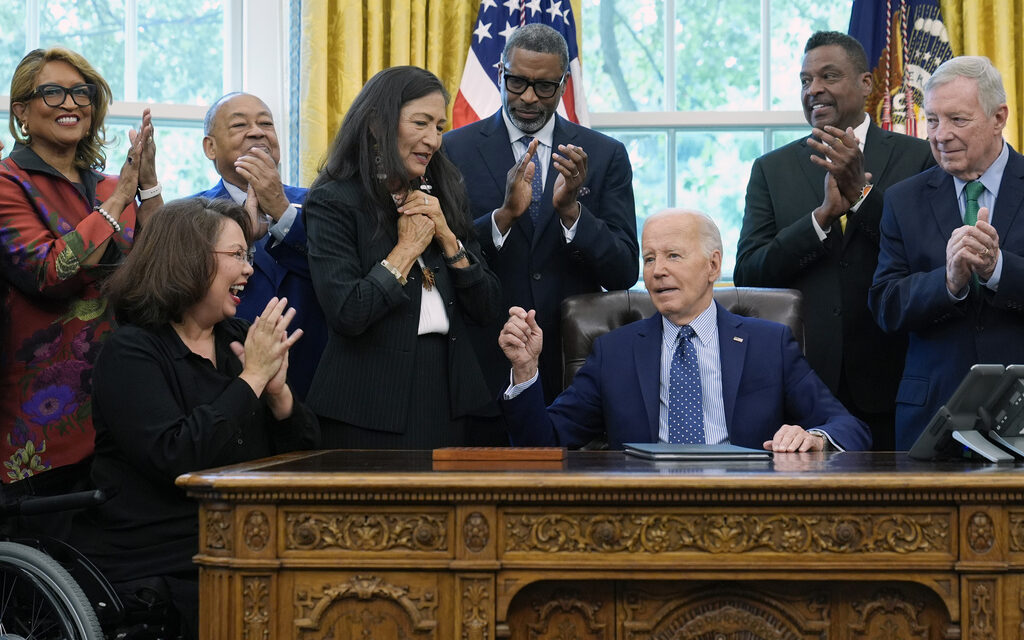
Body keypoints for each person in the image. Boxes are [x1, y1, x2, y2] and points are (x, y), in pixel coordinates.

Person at [77, 197, 320, 639]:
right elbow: (177, 457)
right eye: (236, 256)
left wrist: (279, 394)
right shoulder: (131, 351)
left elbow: (302, 458)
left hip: (246, 538)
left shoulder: (239, 339)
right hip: (164, 554)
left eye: (248, 256)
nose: (249, 269)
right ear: (187, 260)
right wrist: (251, 380)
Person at [500, 210, 872, 452]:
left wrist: (815, 438)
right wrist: (526, 371)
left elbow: (849, 428)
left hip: (745, 508)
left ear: (713, 266)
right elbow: (541, 446)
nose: (657, 270)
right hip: (644, 516)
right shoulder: (615, 352)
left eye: (673, 256)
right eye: (649, 258)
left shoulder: (767, 343)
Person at [733, 31, 934, 451]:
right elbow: (750, 271)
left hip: (893, 381)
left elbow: (926, 258)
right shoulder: (772, 169)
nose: (814, 90)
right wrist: (819, 219)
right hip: (801, 385)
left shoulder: (918, 158)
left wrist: (860, 197)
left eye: (828, 76)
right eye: (806, 81)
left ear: (865, 84)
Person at [443, 23, 639, 417]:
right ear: (500, 73)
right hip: (483, 361)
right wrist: (503, 216)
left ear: (564, 84)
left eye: (544, 86)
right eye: (516, 82)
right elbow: (443, 258)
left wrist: (573, 214)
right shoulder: (453, 149)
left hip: (574, 365)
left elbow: (623, 270)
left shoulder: (604, 155)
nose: (529, 97)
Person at [304, 66, 501, 448]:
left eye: (440, 127)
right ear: (377, 124)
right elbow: (348, 312)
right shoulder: (333, 201)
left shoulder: (445, 192)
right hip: (366, 407)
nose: (433, 140)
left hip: (451, 397)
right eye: (421, 123)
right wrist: (406, 250)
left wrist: (447, 238)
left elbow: (488, 307)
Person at [0, 47, 159, 495]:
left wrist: (148, 185)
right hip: (43, 431)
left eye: (80, 93)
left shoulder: (115, 186)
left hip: (125, 412)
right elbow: (50, 273)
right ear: (22, 113)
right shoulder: (8, 183)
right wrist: (116, 204)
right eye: (52, 93)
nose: (70, 103)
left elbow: (164, 271)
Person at [870, 56, 1024, 449]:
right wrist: (948, 281)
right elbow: (886, 305)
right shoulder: (903, 200)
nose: (941, 135)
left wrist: (997, 269)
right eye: (933, 120)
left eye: (958, 120)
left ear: (998, 117)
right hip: (932, 417)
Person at [193, 92, 325, 400]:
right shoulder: (192, 214)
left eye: (266, 123)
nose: (257, 131)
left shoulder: (319, 202)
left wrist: (281, 209)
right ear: (210, 147)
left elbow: (334, 273)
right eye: (240, 125)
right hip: (228, 374)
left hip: (314, 372)